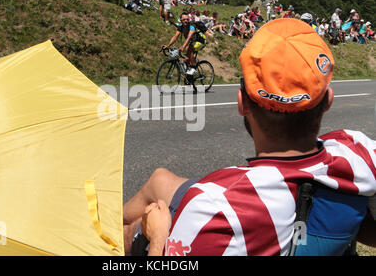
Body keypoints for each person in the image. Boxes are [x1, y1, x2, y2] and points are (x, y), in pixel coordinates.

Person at [124, 18, 376, 256]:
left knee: (134, 226)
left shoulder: (212, 209)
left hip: (245, 213)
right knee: (160, 179)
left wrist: (157, 237)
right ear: (328, 101)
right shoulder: (360, 152)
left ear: (242, 103)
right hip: (304, 205)